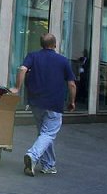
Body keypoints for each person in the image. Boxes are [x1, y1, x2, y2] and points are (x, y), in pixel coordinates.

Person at [11, 32, 76, 177]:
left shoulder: (33, 56)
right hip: (54, 104)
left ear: (41, 44)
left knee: (44, 134)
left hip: (36, 103)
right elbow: (71, 84)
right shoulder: (63, 61)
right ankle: (32, 156)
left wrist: (17, 87)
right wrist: (72, 102)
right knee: (48, 134)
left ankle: (49, 165)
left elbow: (22, 69)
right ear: (55, 44)